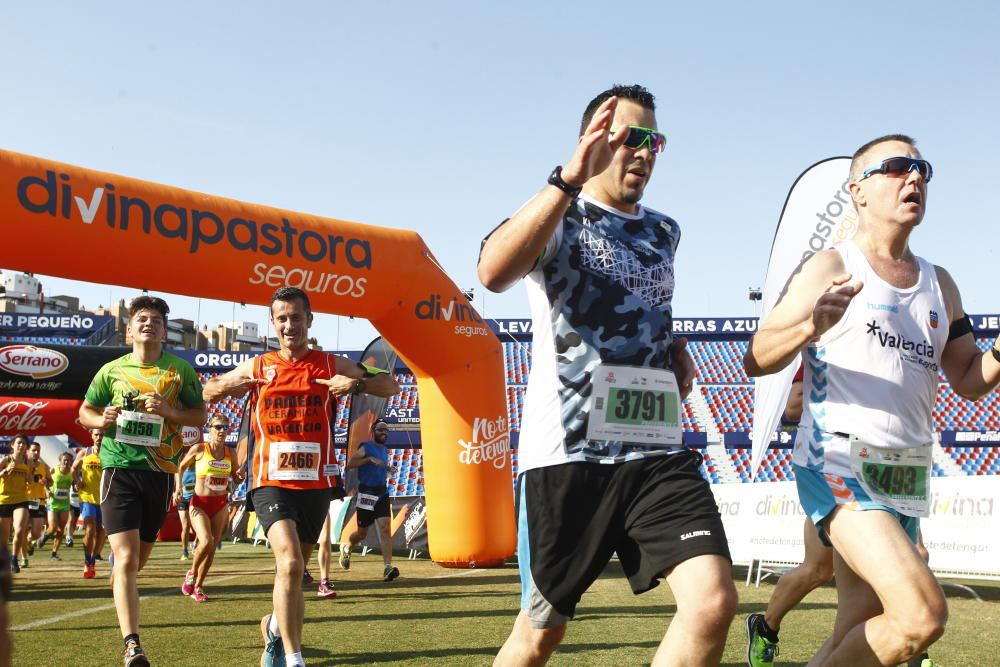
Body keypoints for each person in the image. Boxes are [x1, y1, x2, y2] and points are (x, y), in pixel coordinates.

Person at [478, 84, 736, 667]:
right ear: (595, 139)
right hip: (570, 454)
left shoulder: (664, 232)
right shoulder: (558, 213)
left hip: (655, 450)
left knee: (713, 602)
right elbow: (492, 272)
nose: (646, 152)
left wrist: (672, 343)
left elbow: (650, 303)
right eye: (633, 138)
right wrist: (567, 178)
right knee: (541, 633)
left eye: (656, 141)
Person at [744, 134, 1000, 666]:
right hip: (838, 461)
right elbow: (759, 357)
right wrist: (811, 326)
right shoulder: (829, 265)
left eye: (923, 169)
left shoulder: (940, 282)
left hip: (905, 471)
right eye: (898, 167)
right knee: (920, 617)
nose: (915, 178)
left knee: (857, 633)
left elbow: (971, 379)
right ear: (857, 189)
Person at [204, 286, 399, 667]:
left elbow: (389, 385)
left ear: (309, 320)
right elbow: (210, 390)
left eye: (296, 317)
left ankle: (275, 627)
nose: (289, 325)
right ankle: (293, 657)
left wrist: (355, 384)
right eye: (282, 318)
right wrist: (230, 384)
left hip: (316, 483)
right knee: (290, 564)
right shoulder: (259, 367)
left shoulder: (330, 364)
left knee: (297, 575)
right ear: (273, 324)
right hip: (270, 481)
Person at [79, 295, 207, 667]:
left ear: (165, 331)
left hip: (160, 473)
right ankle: (132, 645)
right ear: (129, 328)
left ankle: (120, 575)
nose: (149, 323)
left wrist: (168, 411)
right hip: (118, 468)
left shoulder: (179, 371)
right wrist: (101, 420)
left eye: (156, 320)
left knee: (136, 563)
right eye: (142, 319)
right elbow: (85, 411)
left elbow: (199, 415)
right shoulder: (111, 371)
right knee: (128, 558)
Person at [175, 413, 243, 602]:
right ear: (210, 429)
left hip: (220, 503)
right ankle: (192, 572)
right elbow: (179, 467)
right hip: (199, 503)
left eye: (225, 427)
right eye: (218, 427)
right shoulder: (199, 449)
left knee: (212, 548)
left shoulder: (231, 452)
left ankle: (198, 587)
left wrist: (239, 475)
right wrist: (177, 489)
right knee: (205, 541)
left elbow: (236, 478)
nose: (222, 431)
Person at [340, 420, 399, 581]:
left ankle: (387, 567)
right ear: (373, 431)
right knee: (361, 533)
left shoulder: (385, 449)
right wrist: (368, 459)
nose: (384, 432)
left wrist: (388, 469)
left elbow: (378, 468)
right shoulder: (365, 446)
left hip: (382, 493)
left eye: (386, 430)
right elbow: (350, 465)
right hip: (366, 493)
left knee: (386, 528)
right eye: (381, 429)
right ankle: (347, 547)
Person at [73, 429, 107, 578]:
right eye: (96, 434)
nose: (99, 437)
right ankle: (88, 562)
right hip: (86, 497)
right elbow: (74, 468)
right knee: (90, 528)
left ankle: (93, 559)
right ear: (92, 436)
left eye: (101, 434)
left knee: (101, 531)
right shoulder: (84, 453)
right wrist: (77, 481)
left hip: (104, 498)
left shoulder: (108, 453)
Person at [0, 435, 31, 574]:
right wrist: (6, 470)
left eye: (24, 443)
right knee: (4, 536)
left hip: (21, 499)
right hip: (4, 500)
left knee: (19, 529)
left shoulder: (27, 461)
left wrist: (34, 478)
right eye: (19, 443)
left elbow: (29, 480)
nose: (21, 446)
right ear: (12, 445)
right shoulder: (6, 459)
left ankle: (14, 559)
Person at [36, 452, 75, 561]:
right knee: (53, 527)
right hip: (53, 502)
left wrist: (77, 485)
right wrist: (47, 490)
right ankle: (43, 538)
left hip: (65, 504)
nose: (66, 462)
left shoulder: (72, 472)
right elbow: (43, 481)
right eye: (64, 460)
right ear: (60, 460)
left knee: (61, 530)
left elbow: (75, 485)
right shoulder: (54, 470)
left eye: (68, 460)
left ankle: (54, 553)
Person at [24, 440, 51, 563]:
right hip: (23, 500)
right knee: (22, 530)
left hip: (38, 501)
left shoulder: (43, 466)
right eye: (33, 450)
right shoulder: (22, 465)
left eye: (38, 451)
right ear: (27, 451)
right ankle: (23, 558)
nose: (36, 453)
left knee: (36, 533)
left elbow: (51, 481)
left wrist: (47, 482)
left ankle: (29, 541)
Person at [175, 451, 197, 561]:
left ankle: (195, 544)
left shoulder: (197, 468)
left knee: (196, 528)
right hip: (183, 500)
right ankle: (184, 551)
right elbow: (175, 485)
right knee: (185, 525)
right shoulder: (179, 470)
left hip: (196, 500)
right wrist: (175, 492)